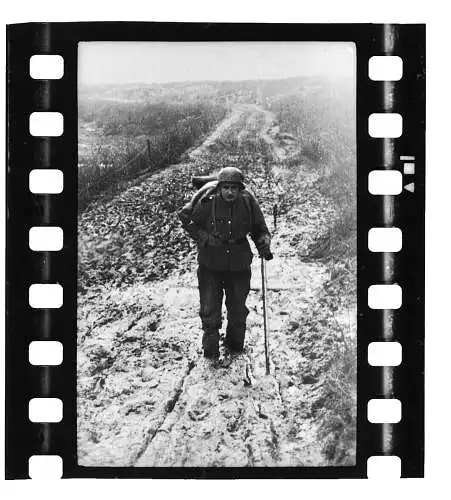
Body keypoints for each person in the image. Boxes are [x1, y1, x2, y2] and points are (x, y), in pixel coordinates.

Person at [178, 166, 272, 361]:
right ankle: (210, 354)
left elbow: (259, 228)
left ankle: (235, 348)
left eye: (234, 188)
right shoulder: (207, 201)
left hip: (239, 264)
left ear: (240, 189)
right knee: (210, 310)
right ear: (219, 188)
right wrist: (203, 237)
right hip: (210, 264)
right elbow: (186, 218)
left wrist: (263, 241)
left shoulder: (247, 201)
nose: (230, 192)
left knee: (238, 311)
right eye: (226, 187)